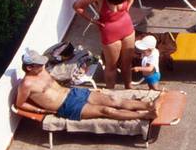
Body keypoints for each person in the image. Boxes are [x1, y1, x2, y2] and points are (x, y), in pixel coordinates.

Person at [16, 50, 160, 122]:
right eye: (38, 65)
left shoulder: (42, 72)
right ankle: (147, 115)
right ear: (29, 68)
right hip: (66, 107)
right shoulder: (26, 84)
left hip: (73, 93)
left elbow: (55, 84)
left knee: (114, 100)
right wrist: (40, 110)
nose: (42, 66)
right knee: (107, 110)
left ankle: (148, 105)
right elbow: (19, 104)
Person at [73, 0, 137, 89]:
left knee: (127, 63)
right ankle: (110, 90)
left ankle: (128, 86)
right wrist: (93, 21)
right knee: (111, 66)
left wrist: (130, 2)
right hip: (111, 34)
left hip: (127, 28)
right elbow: (77, 6)